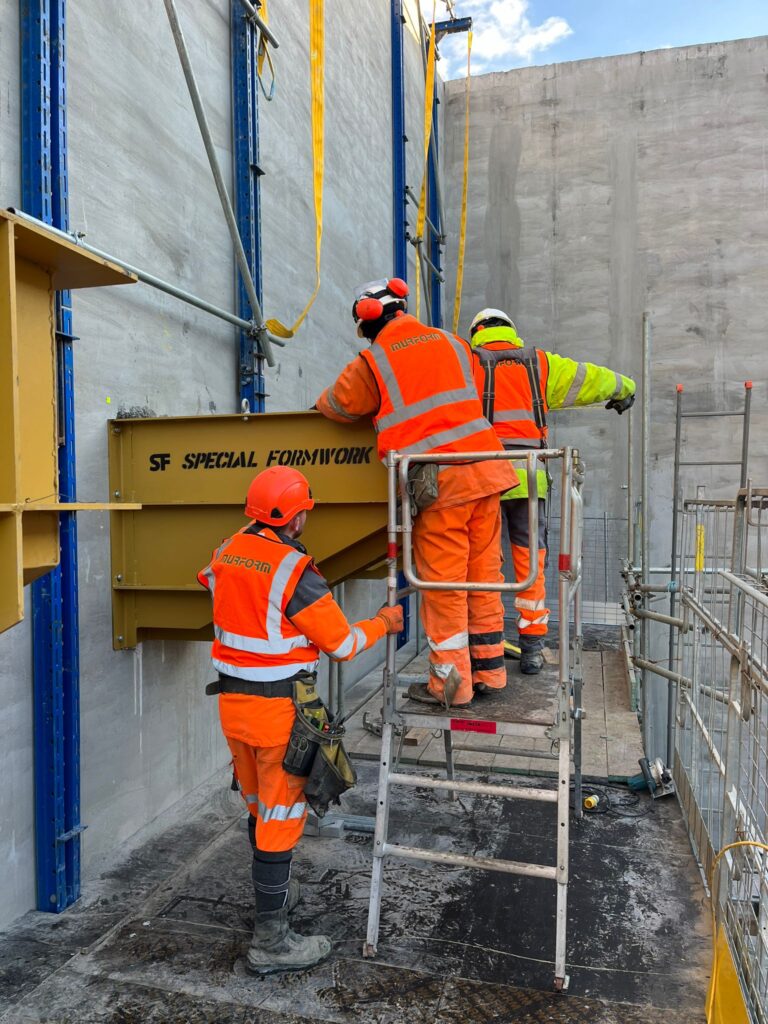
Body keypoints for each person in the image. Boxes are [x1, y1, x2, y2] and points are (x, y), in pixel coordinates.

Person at [197, 466, 403, 974]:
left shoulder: (227, 550)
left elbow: (217, 588)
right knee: (281, 817)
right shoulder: (294, 570)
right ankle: (271, 943)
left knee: (257, 804)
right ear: (297, 515)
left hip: (234, 708)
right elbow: (342, 645)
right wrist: (384, 622)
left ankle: (274, 901)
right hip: (278, 714)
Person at [316, 278, 518, 709]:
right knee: (483, 578)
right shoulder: (453, 342)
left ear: (368, 320)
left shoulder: (376, 358)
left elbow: (338, 404)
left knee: (444, 588)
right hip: (487, 471)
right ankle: (490, 672)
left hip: (443, 484)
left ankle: (452, 687)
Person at [469, 308, 636, 674]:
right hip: (529, 479)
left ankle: (486, 652)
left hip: (481, 477)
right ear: (511, 332)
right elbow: (591, 378)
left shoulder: (465, 363)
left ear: (476, 333)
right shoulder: (540, 364)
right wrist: (625, 388)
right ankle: (531, 650)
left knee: (484, 566)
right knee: (530, 564)